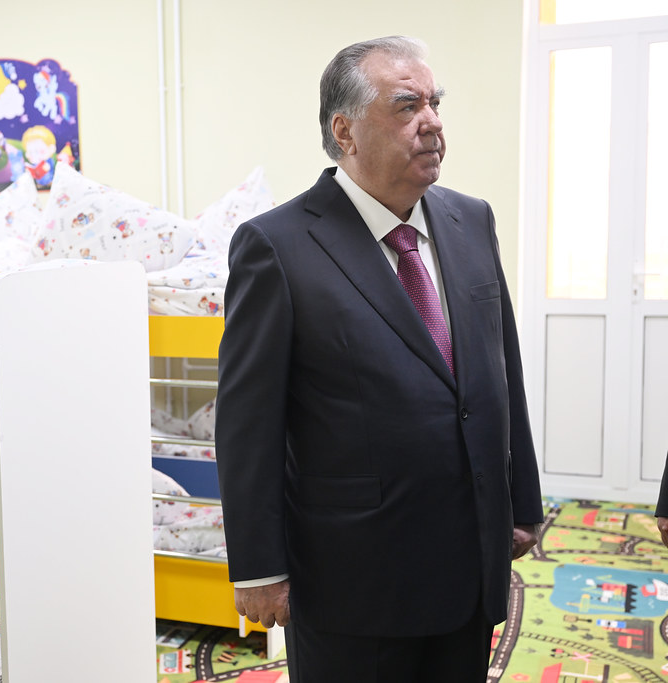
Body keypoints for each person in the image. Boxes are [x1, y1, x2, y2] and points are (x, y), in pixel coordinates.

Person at [214, 36, 544, 681]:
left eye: (435, 103)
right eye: (407, 106)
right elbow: (248, 422)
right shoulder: (277, 246)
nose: (433, 122)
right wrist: (258, 566)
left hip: (469, 558)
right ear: (345, 131)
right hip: (353, 578)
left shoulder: (471, 221)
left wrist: (521, 500)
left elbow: (502, 369)